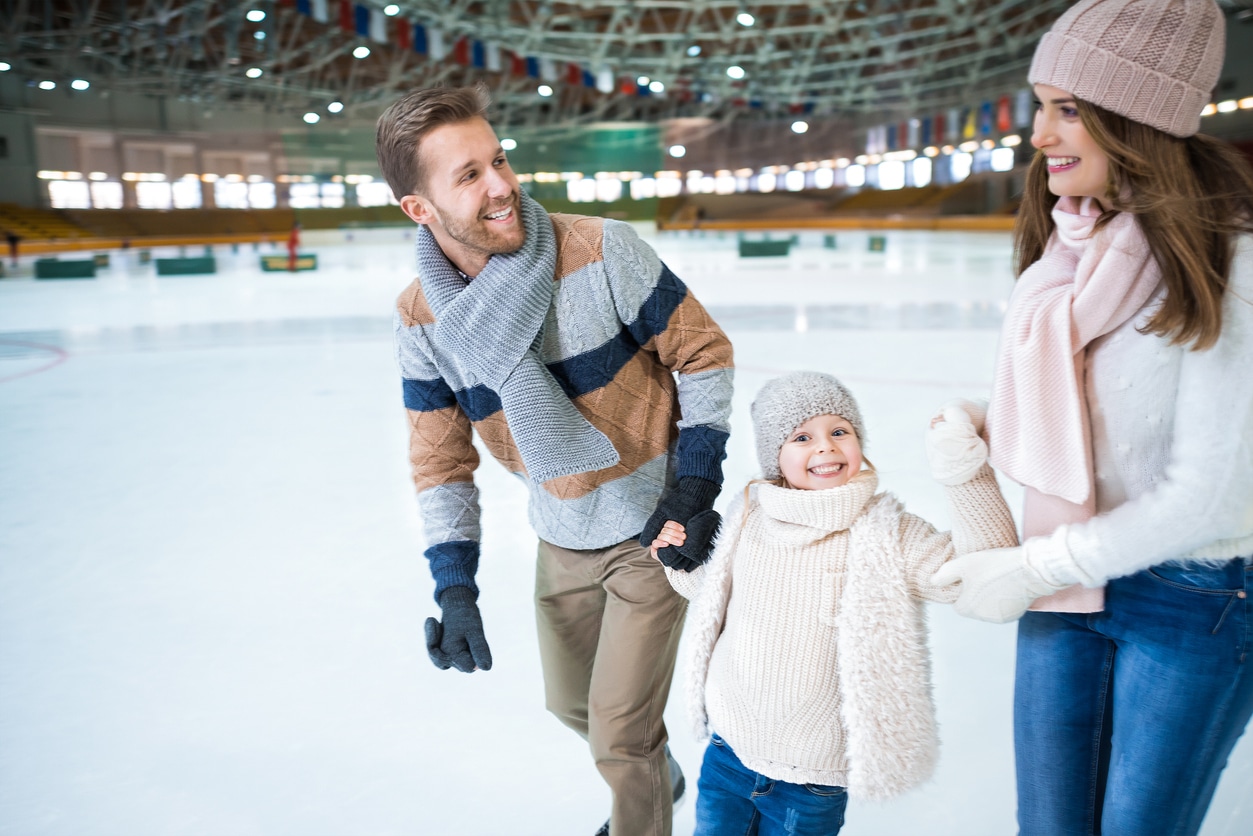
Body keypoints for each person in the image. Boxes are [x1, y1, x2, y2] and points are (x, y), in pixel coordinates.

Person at [375, 85, 735, 836]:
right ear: (419, 208)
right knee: (570, 706)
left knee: (618, 734)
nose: (502, 184)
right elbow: (439, 459)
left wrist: (695, 483)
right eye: (467, 175)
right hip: (560, 530)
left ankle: (638, 814)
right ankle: (652, 782)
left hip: (653, 528)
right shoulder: (422, 316)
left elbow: (701, 352)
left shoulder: (600, 250)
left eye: (498, 159)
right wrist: (455, 585)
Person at [932, 1, 1253, 832]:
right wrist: (986, 420)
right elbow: (1085, 422)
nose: (1038, 134)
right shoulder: (1072, 249)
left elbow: (1207, 495)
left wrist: (1037, 566)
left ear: (1135, 120)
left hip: (1194, 598)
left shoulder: (1233, 261)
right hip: (1071, 587)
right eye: (1041, 105)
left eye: (1066, 109)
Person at [650, 372, 1018, 835]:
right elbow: (715, 599)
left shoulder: (888, 532)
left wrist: (964, 472)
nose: (825, 447)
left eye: (839, 431)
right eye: (802, 436)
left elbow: (985, 577)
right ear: (776, 458)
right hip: (728, 756)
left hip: (811, 784)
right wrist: (680, 559)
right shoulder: (750, 515)